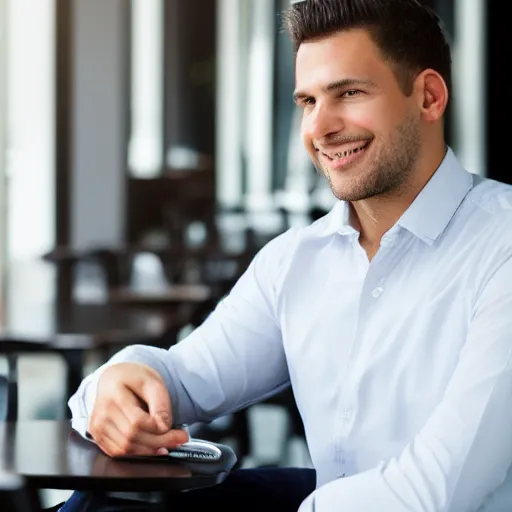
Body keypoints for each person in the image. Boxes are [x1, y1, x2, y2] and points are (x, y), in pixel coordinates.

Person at [55, 0, 512, 510]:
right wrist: (116, 389)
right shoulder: (296, 260)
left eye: (350, 93)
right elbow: (185, 377)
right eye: (308, 102)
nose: (322, 126)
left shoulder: (502, 246)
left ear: (428, 97)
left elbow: (441, 489)